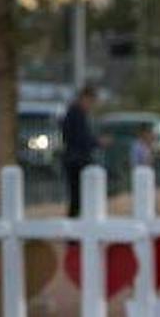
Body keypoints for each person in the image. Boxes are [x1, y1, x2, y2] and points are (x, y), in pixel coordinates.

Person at [60, 84, 103, 218]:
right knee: (78, 197)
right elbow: (80, 138)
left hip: (76, 159)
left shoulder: (75, 113)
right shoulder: (76, 114)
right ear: (85, 98)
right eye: (91, 101)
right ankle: (74, 230)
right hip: (77, 161)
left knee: (78, 198)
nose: (91, 106)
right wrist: (97, 142)